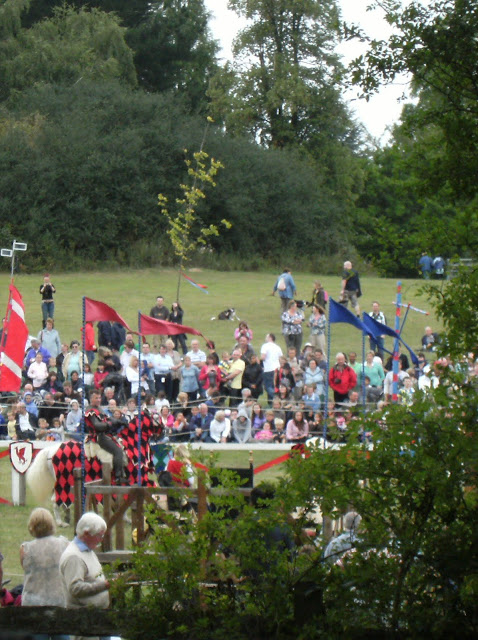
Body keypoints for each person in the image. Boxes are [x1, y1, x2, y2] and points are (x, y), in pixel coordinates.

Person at [20, 508, 69, 640]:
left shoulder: (26, 549)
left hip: (34, 604)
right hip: (58, 601)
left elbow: (25, 567)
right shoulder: (63, 544)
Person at [60, 512, 110, 639]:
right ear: (86, 534)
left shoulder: (88, 551)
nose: (101, 539)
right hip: (85, 623)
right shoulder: (74, 557)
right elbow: (75, 588)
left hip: (97, 620)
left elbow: (93, 577)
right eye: (99, 535)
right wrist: (104, 585)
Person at [84, 391, 125, 484]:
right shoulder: (90, 411)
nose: (98, 400)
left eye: (99, 398)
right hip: (98, 436)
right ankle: (118, 476)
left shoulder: (99, 409)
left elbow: (109, 418)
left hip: (105, 434)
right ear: (91, 399)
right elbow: (97, 426)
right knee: (118, 451)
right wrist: (109, 424)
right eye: (96, 398)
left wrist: (120, 422)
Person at [260, 333, 283, 403]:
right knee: (275, 386)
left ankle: (276, 399)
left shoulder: (265, 346)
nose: (265, 338)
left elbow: (263, 357)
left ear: (270, 337)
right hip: (277, 369)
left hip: (268, 369)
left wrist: (259, 361)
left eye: (266, 337)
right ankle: (271, 403)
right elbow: (281, 359)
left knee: (268, 386)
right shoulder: (278, 347)